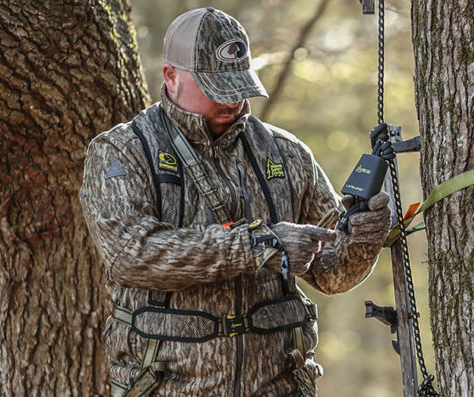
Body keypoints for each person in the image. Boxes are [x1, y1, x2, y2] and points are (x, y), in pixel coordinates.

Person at [79, 7, 391, 396]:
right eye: (216, 88)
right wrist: (260, 244)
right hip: (168, 388)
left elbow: (333, 273)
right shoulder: (123, 152)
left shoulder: (286, 153)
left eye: (239, 86)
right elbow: (132, 255)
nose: (232, 101)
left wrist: (364, 236)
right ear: (171, 77)